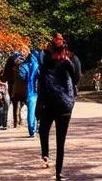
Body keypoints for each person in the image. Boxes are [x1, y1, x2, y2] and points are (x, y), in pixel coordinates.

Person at [37, 33, 80, 181]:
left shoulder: (45, 62)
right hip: (64, 105)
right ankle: (58, 173)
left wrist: (39, 105)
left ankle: (45, 155)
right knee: (60, 140)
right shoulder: (70, 61)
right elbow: (75, 80)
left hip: (48, 104)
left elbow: (40, 85)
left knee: (43, 130)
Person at [17, 40, 44, 137]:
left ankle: (32, 130)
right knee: (33, 110)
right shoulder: (36, 63)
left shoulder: (22, 66)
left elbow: (20, 77)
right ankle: (33, 129)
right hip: (35, 90)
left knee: (31, 111)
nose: (22, 53)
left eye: (23, 51)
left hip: (28, 91)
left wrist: (18, 66)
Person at [2, 51, 27, 128]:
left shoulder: (9, 62)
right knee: (24, 102)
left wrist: (2, 78)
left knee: (15, 104)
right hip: (23, 86)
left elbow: (4, 78)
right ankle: (22, 120)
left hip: (12, 86)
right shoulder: (23, 61)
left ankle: (15, 123)